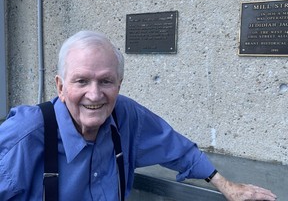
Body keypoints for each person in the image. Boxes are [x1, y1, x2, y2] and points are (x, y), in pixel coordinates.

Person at [0, 30, 277, 201]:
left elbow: (178, 149)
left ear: (119, 84)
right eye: (81, 81)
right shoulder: (25, 133)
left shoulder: (126, 115)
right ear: (61, 87)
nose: (95, 95)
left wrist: (226, 185)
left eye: (106, 81)